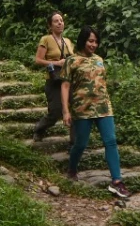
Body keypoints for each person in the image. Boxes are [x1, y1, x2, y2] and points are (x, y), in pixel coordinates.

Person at [61, 26, 129, 200]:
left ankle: (116, 181)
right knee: (81, 144)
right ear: (83, 40)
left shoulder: (99, 59)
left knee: (111, 141)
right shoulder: (72, 61)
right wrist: (66, 110)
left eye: (96, 41)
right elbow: (65, 85)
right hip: (82, 108)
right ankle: (72, 169)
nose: (94, 44)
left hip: (103, 107)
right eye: (90, 41)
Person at [32, 11, 72, 144]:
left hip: (68, 80)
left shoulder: (68, 41)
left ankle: (75, 142)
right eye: (56, 21)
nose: (60, 23)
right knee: (55, 112)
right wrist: (56, 63)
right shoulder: (46, 39)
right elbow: (38, 60)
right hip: (54, 80)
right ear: (50, 25)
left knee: (75, 110)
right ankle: (40, 128)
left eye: (61, 20)